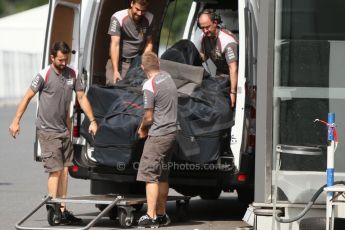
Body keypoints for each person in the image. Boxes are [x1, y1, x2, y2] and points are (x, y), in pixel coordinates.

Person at [9, 41, 98, 225]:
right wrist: (16, 121)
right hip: (47, 130)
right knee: (55, 170)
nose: (64, 62)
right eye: (60, 59)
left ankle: (62, 210)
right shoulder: (44, 74)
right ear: (52, 58)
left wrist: (93, 120)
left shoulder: (72, 74)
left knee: (65, 171)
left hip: (64, 129)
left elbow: (81, 97)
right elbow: (27, 97)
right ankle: (53, 207)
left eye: (66, 59)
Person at [136, 51, 178, 228]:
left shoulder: (149, 85)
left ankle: (150, 216)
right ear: (158, 63)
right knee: (162, 175)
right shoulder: (167, 77)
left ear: (142, 68)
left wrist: (142, 129)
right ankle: (161, 214)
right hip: (172, 133)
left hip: (159, 135)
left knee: (150, 175)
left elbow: (149, 117)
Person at [106, 0, 154, 85]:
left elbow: (149, 43)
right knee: (114, 91)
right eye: (137, 9)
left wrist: (143, 62)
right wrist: (116, 71)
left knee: (132, 93)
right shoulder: (118, 17)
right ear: (132, 4)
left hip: (136, 63)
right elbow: (115, 45)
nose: (139, 13)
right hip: (118, 62)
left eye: (143, 11)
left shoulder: (149, 18)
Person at [197, 9, 239, 108]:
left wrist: (233, 93)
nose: (205, 31)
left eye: (207, 27)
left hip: (233, 78)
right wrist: (213, 76)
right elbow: (205, 57)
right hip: (220, 76)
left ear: (215, 23)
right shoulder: (203, 37)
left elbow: (233, 69)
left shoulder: (227, 41)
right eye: (202, 28)